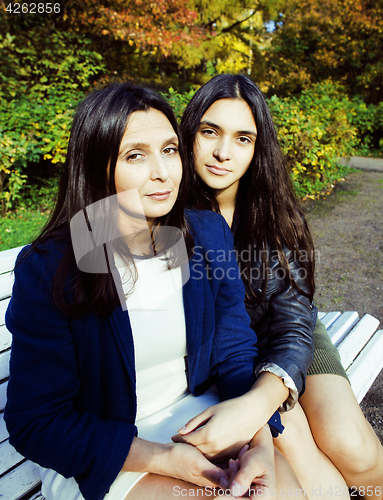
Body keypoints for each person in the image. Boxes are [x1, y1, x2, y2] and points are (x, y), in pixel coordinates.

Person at [4, 82, 308, 500]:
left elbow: (234, 351)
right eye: (135, 156)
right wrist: (161, 458)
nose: (163, 172)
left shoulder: (204, 232)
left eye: (169, 150)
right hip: (112, 450)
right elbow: (36, 420)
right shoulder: (52, 268)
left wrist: (258, 442)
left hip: (198, 421)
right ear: (98, 166)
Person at [175, 73, 383, 499]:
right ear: (189, 133)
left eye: (243, 139)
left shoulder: (272, 213)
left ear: (257, 148)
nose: (222, 152)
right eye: (210, 131)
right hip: (230, 359)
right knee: (294, 446)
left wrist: (267, 393)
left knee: (353, 446)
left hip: (290, 338)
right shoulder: (167, 206)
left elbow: (294, 322)